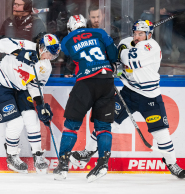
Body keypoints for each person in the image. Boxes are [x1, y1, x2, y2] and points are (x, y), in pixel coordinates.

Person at [71, 20, 185, 180]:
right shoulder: (126, 42)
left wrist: (120, 53)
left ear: (149, 34)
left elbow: (130, 60)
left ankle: (172, 163)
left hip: (150, 97)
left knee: (161, 134)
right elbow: (117, 62)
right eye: (135, 33)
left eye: (141, 34)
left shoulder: (152, 47)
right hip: (129, 93)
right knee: (104, 121)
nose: (137, 36)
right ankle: (88, 151)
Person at [53, 14, 118, 182]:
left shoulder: (66, 40)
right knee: (103, 127)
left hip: (86, 83)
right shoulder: (100, 32)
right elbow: (113, 52)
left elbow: (70, 61)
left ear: (70, 27)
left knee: (71, 125)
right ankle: (103, 164)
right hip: (106, 80)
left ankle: (62, 165)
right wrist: (111, 64)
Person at [0, 33, 61, 174]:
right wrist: (22, 54)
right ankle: (12, 155)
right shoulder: (26, 46)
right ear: (43, 48)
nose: (51, 58)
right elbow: (0, 43)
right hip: (0, 83)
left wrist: (40, 105)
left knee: (31, 117)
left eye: (54, 55)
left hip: (20, 87)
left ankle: (38, 155)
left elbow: (34, 86)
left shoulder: (46, 67)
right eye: (50, 54)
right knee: (16, 123)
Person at [64, 4, 120, 77]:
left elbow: (115, 52)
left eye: (98, 16)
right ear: (89, 16)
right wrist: (69, 70)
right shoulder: (82, 30)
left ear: (103, 15)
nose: (96, 20)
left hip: (105, 72)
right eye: (93, 17)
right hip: (85, 72)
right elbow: (75, 49)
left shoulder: (112, 30)